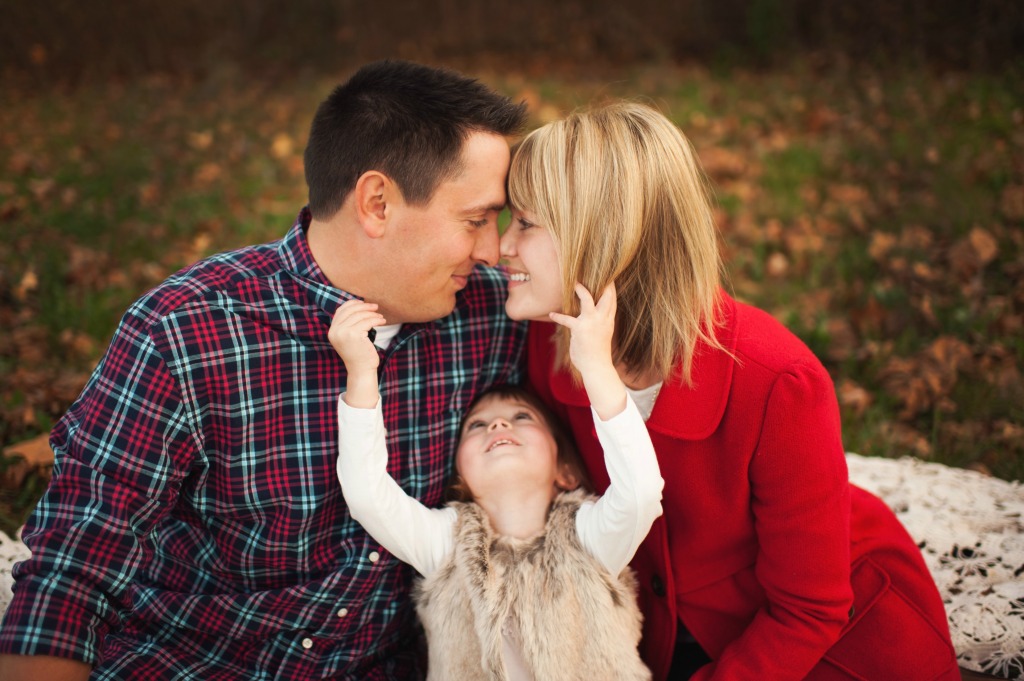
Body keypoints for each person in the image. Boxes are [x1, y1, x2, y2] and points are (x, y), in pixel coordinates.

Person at [0, 60, 528, 680]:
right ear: (377, 203)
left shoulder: (493, 316)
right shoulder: (186, 330)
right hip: (190, 663)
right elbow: (76, 562)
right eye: (474, 221)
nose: (493, 250)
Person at [500, 102, 962, 681]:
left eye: (525, 223)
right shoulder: (553, 352)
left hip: (826, 642)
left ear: (601, 236)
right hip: (668, 633)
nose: (502, 247)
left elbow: (810, 608)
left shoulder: (777, 381)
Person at [328, 282, 663, 680]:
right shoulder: (445, 544)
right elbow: (367, 495)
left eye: (523, 417)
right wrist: (362, 373)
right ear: (462, 478)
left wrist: (595, 366)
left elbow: (640, 492)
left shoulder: (590, 538)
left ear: (565, 472)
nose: (500, 424)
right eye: (477, 426)